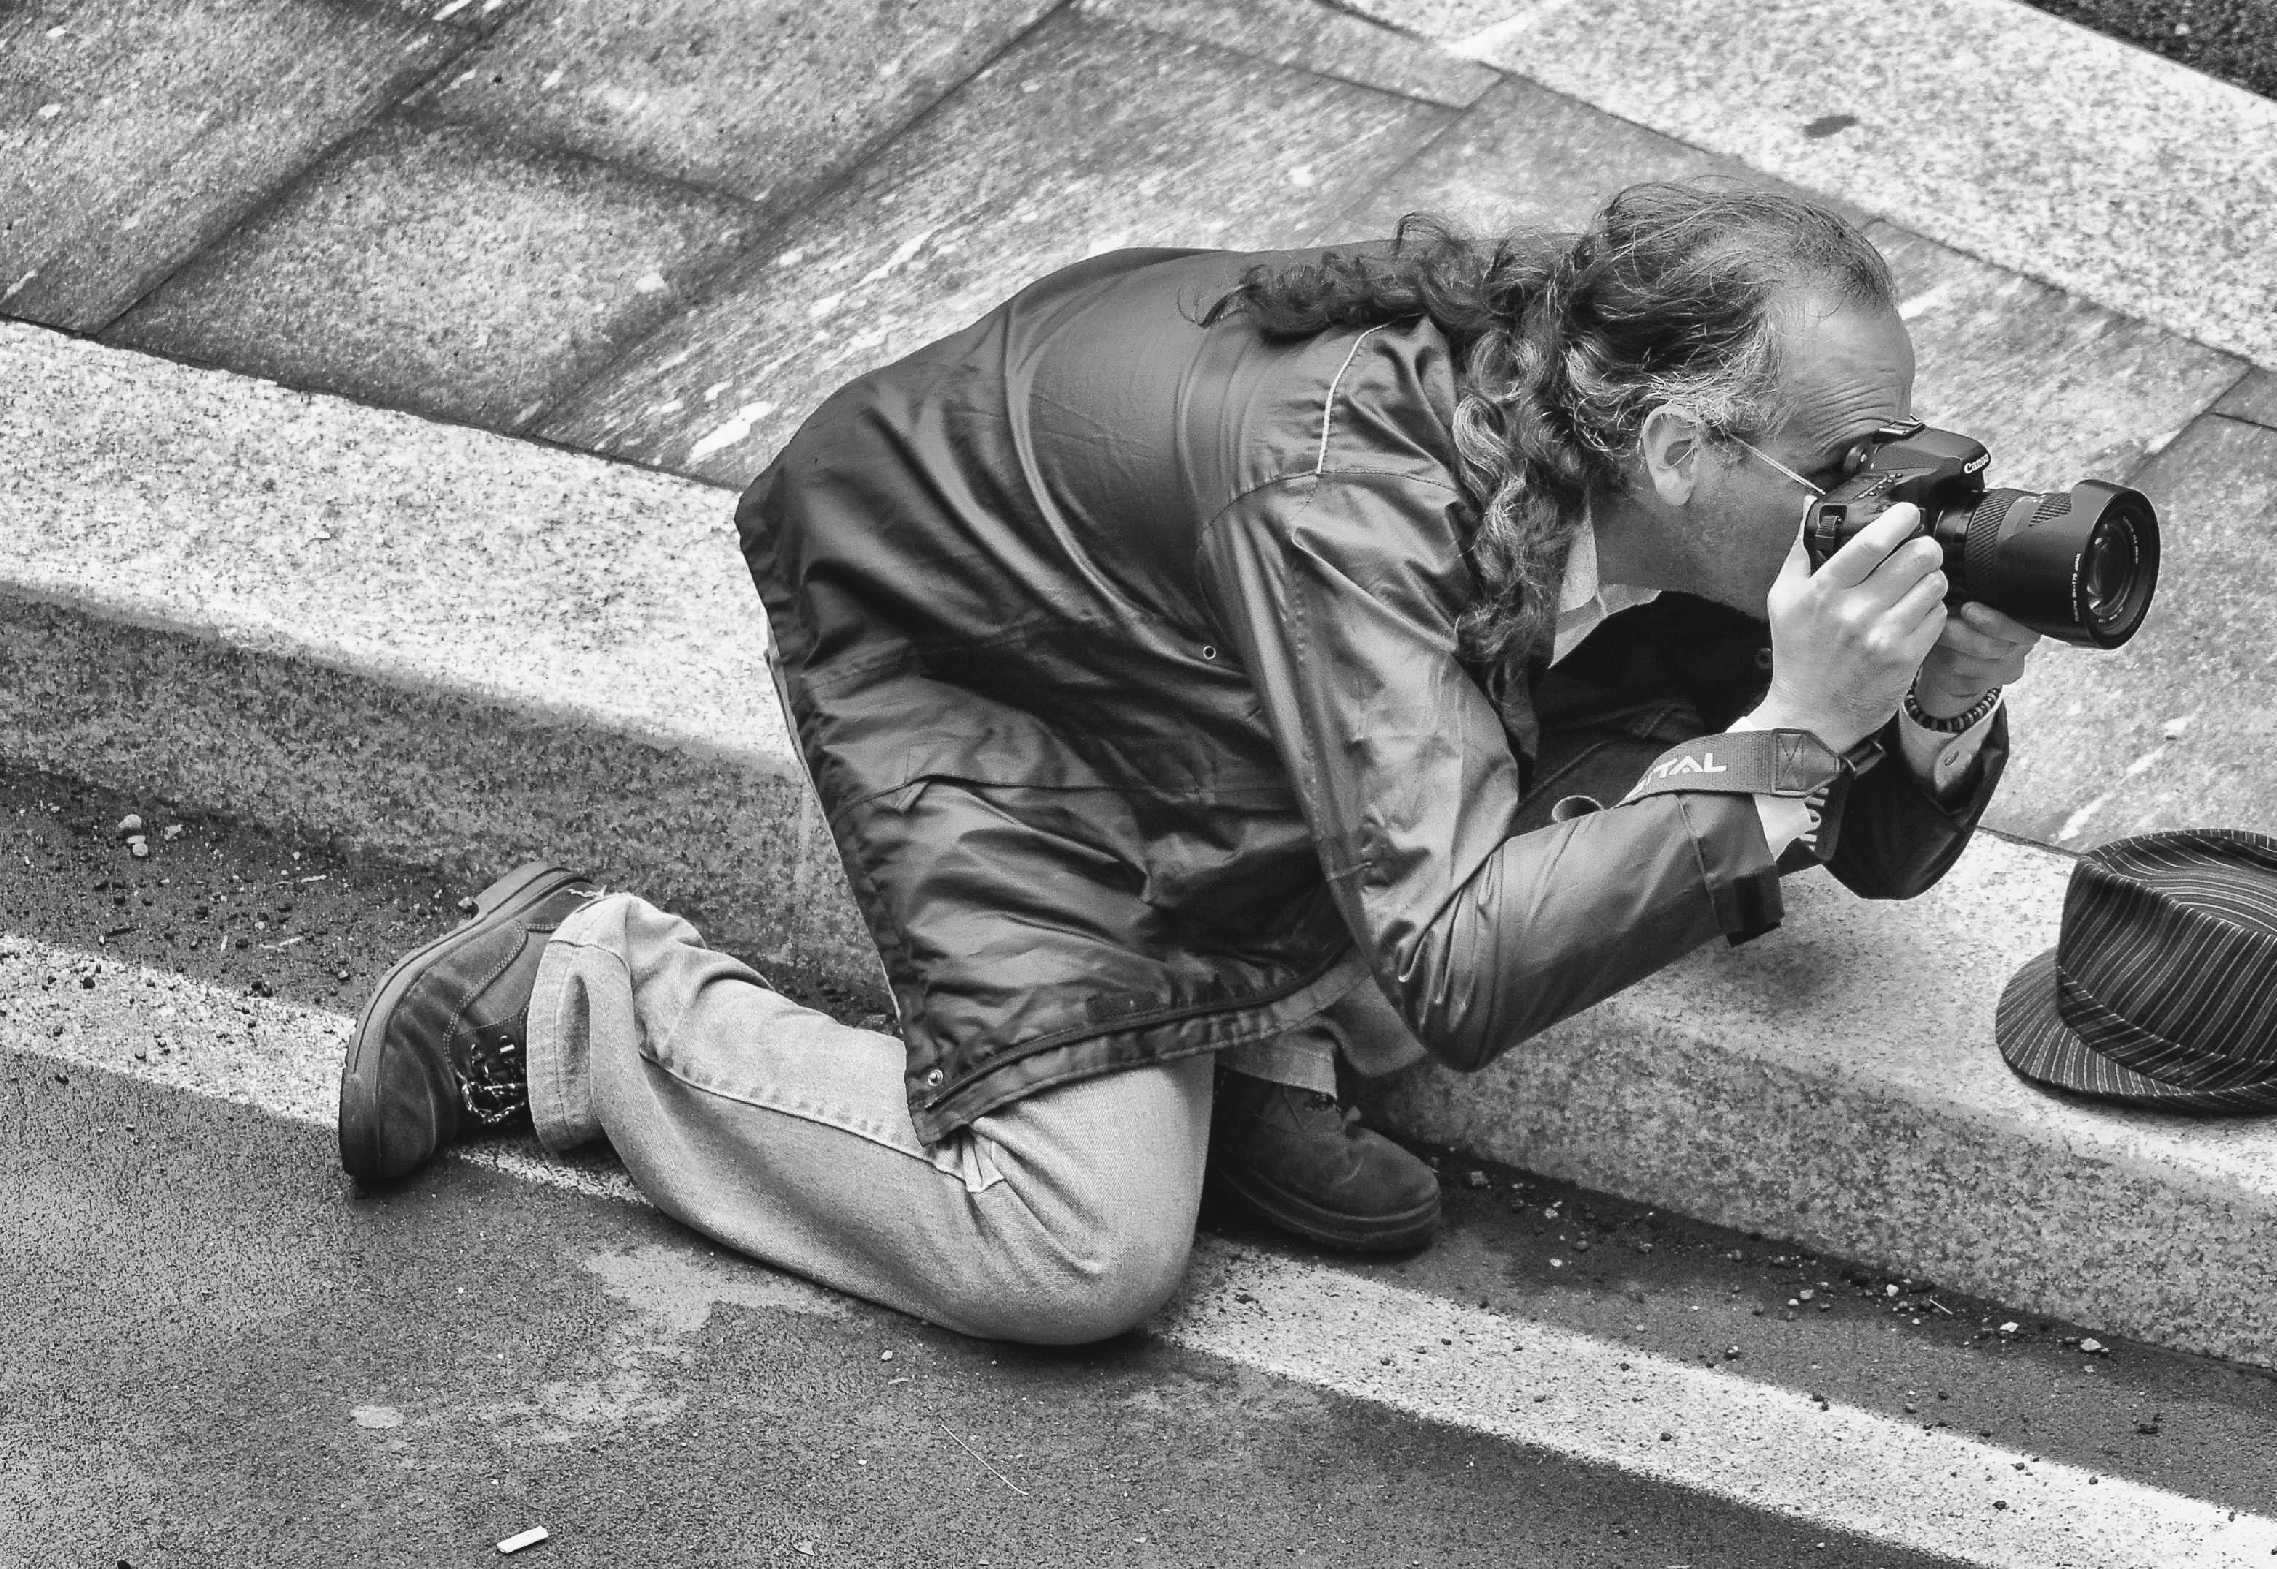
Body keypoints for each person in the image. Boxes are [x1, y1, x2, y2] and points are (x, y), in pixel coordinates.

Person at [336, 183, 2037, 1344]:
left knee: (1633, 773)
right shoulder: (1356, 501)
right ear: (1679, 447)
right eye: (1851, 464)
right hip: (1000, 659)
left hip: (1212, 659)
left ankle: (1253, 1026)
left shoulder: (1642, 472)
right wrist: (1797, 727)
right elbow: (1455, 965)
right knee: (1077, 1244)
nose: (1882, 505)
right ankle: (575, 991)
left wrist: (1932, 702)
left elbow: (1864, 846)